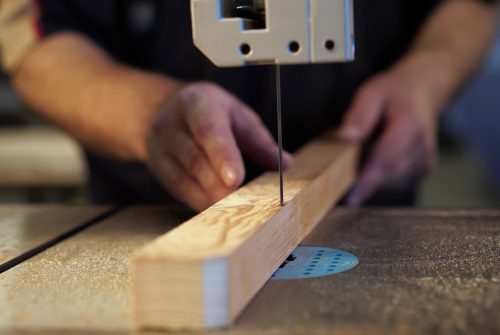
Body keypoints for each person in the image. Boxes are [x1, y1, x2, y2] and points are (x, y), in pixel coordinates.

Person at [0, 0, 496, 211]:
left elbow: (472, 6)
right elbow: (37, 42)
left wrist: (425, 78)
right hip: (150, 212)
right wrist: (149, 111)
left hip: (368, 195)